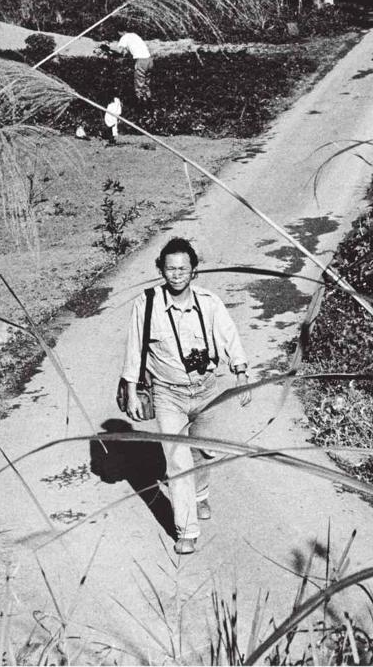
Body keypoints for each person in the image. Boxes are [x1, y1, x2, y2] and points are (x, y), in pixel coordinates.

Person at [121, 237, 251, 554]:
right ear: (161, 270)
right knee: (177, 462)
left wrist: (241, 372)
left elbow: (229, 335)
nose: (177, 274)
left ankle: (200, 493)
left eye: (183, 268)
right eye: (170, 268)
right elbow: (134, 349)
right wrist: (131, 390)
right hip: (168, 394)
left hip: (206, 391)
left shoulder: (209, 302)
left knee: (204, 452)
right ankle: (186, 531)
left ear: (194, 271)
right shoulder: (147, 304)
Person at [102, 27, 153, 103]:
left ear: (119, 32)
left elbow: (120, 51)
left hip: (141, 61)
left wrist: (107, 48)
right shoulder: (134, 35)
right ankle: (149, 101)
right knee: (146, 83)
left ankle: (141, 104)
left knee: (139, 84)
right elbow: (128, 51)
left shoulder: (124, 37)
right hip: (150, 60)